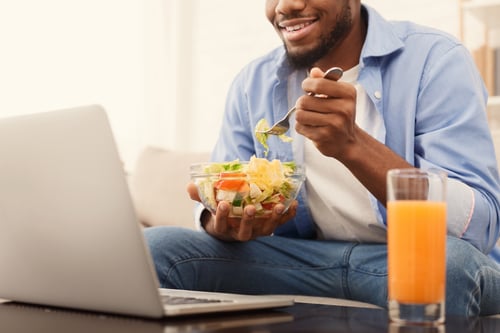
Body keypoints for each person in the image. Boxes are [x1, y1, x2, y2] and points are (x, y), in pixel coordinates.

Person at [144, 0, 500, 316]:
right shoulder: (253, 82)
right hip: (302, 261)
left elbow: (477, 226)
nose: (286, 6)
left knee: (444, 265)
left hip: (407, 260)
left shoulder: (434, 59)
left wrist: (353, 146)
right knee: (156, 249)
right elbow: (221, 195)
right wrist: (220, 221)